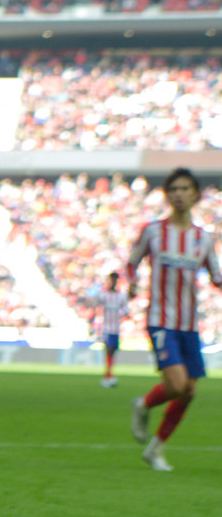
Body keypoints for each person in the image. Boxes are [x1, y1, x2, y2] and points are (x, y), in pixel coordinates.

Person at [126, 168, 221, 472]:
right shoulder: (154, 231)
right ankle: (143, 405)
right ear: (167, 195)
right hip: (160, 320)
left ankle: (155, 448)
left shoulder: (203, 239)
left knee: (189, 392)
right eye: (173, 189)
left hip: (190, 324)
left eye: (185, 189)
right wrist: (130, 282)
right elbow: (132, 262)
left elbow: (216, 276)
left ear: (195, 195)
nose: (179, 194)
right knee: (179, 385)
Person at [79, 270, 127, 389]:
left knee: (113, 352)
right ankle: (108, 374)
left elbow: (126, 309)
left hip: (116, 328)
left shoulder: (121, 296)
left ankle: (108, 374)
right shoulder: (103, 295)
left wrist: (118, 313)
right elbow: (93, 302)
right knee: (109, 350)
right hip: (107, 328)